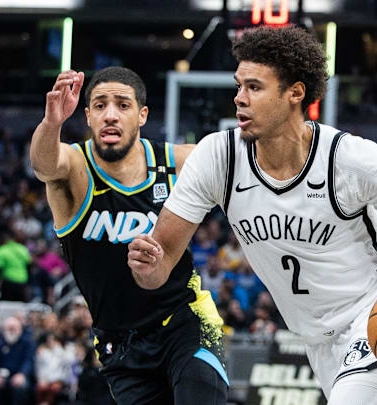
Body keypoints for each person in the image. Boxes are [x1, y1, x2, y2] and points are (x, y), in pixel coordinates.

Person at [128, 25, 377, 405]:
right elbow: (160, 262)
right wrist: (149, 269)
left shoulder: (352, 160)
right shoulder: (217, 157)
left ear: (295, 93)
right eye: (238, 85)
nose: (239, 99)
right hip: (317, 345)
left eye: (254, 87)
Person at [29, 66, 228, 404]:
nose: (111, 115)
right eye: (101, 105)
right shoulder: (75, 169)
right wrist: (52, 123)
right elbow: (44, 165)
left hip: (185, 321)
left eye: (122, 105)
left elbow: (240, 158)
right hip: (120, 345)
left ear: (142, 115)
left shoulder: (174, 162)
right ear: (88, 115)